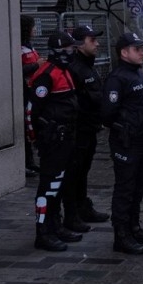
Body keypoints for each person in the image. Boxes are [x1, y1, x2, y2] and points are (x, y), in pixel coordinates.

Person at [101, 32, 143, 254]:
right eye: (137, 49)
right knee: (125, 189)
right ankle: (121, 235)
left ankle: (134, 227)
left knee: (138, 187)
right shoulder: (118, 78)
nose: (142, 52)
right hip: (127, 143)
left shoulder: (139, 73)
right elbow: (107, 113)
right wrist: (126, 126)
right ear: (124, 52)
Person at [26, 32, 83, 251]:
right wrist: (36, 138)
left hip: (66, 137)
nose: (73, 52)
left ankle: (55, 224)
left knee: (59, 183)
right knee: (48, 186)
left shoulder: (64, 71)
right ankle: (43, 232)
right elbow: (32, 110)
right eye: (70, 49)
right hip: (52, 139)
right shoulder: (46, 74)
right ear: (59, 51)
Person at [63, 25, 109, 233]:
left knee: (83, 171)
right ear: (80, 44)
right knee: (74, 171)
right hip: (77, 130)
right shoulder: (74, 68)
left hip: (89, 129)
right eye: (93, 40)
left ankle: (82, 206)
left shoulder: (88, 66)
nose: (97, 43)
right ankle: (71, 213)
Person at [20, 15, 44, 177]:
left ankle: (31, 162)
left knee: (31, 128)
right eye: (32, 26)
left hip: (32, 92)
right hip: (24, 93)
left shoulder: (29, 46)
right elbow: (20, 69)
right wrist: (37, 65)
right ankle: (27, 163)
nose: (35, 29)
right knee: (25, 128)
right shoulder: (19, 48)